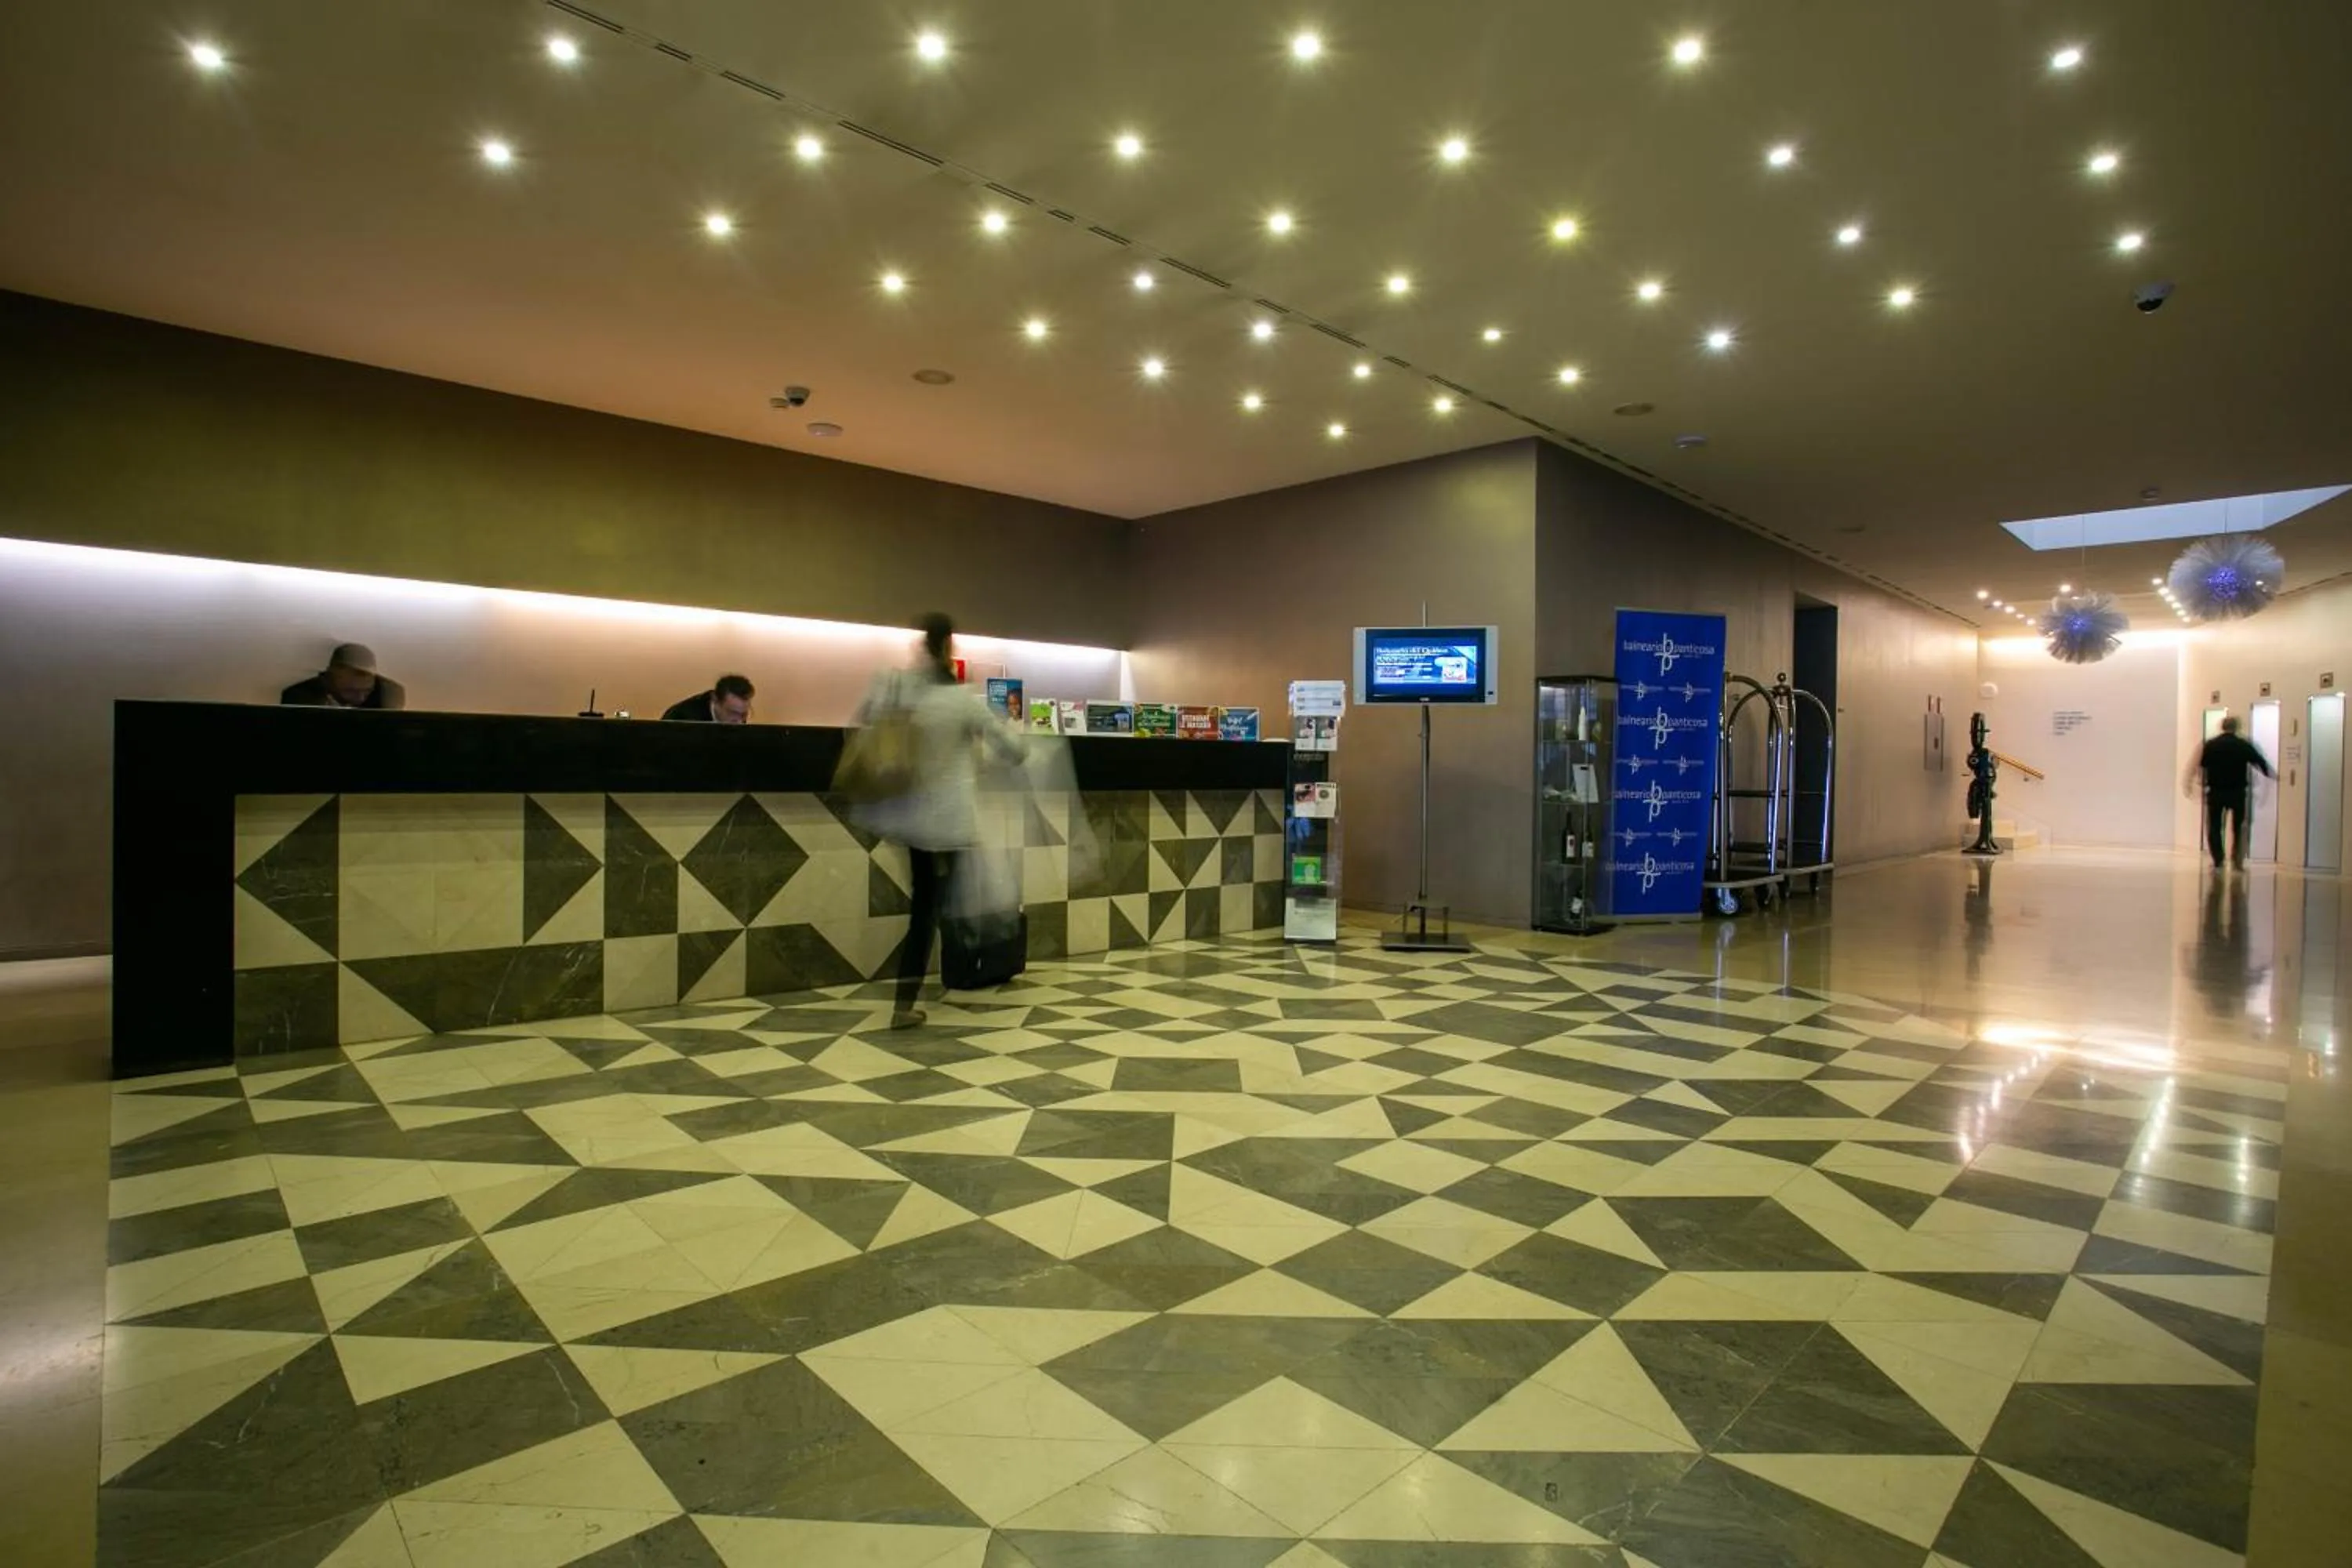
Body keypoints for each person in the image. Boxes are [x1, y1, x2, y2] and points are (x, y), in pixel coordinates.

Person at [856, 614, 1022, 1029]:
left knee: (927, 909)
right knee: (945, 906)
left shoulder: (903, 689)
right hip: (949, 826)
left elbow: (866, 719)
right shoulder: (961, 700)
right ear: (949, 646)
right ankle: (961, 974)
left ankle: (911, 999)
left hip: (910, 821)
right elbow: (1014, 750)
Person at [2186, 714, 2274, 871]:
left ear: (2222, 727)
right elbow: (2259, 761)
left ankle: (2218, 859)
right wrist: (2271, 774)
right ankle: (2237, 859)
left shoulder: (2211, 745)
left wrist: (2194, 783)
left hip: (2216, 792)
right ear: (2236, 727)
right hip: (2237, 792)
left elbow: (2201, 765)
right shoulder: (2243, 745)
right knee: (2239, 827)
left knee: (2214, 826)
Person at [280, 643, 405, 710]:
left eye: (367, 691)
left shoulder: (388, 694)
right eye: (350, 691)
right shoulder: (298, 697)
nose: (361, 698)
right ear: (327, 679)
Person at [662, 675, 755, 724]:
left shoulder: (736, 718)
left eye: (743, 715)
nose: (739, 722)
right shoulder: (681, 717)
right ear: (715, 700)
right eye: (732, 713)